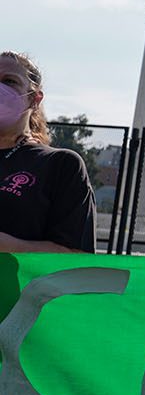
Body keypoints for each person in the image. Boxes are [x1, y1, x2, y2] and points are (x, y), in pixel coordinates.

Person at [0, 50, 96, 254]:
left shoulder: (60, 164)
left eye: (9, 81)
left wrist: (6, 246)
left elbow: (76, 256)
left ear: (34, 99)